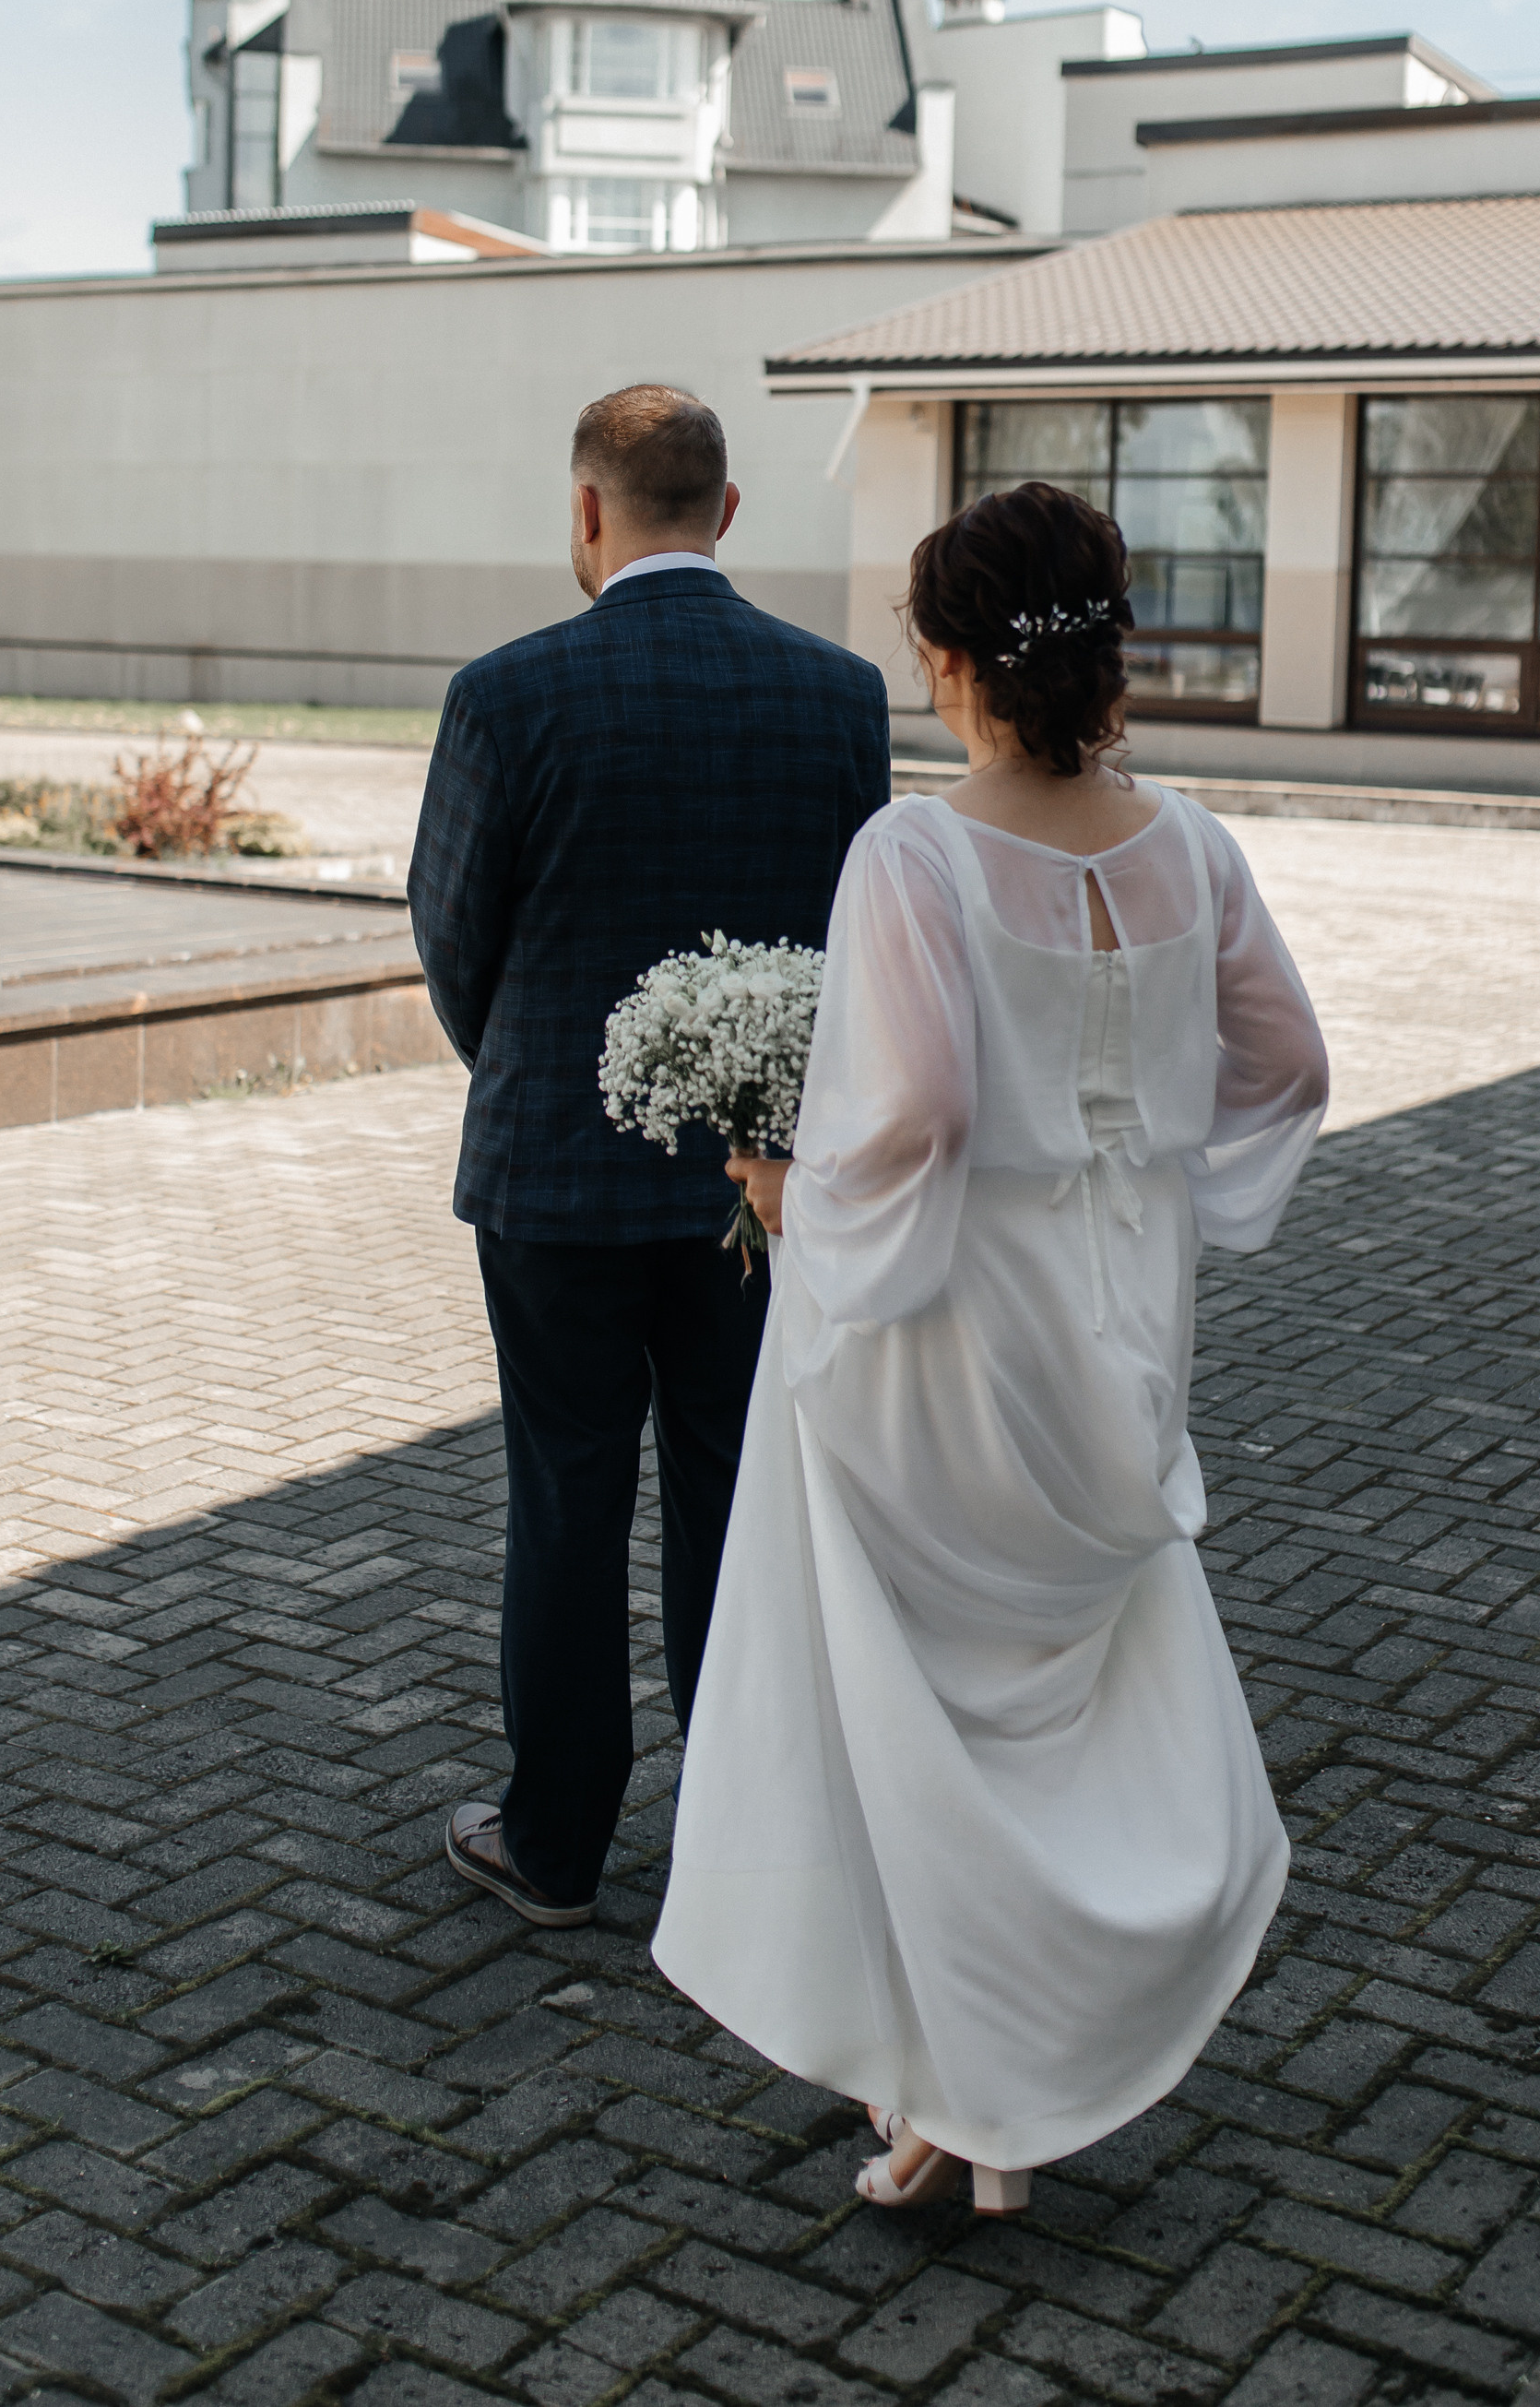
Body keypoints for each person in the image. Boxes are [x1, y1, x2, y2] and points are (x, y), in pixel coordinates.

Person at [652, 479, 1328, 2210]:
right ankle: (981, 2098)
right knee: (1049, 1699)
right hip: (1116, 1323)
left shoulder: (917, 851)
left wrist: (801, 1197)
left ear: (951, 661)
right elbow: (1287, 1071)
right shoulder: (1192, 847)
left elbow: (925, 1107)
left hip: (942, 1324)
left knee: (913, 1713)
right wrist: (1169, 1175)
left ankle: (964, 2087)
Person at [408, 383, 892, 1928]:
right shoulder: (837, 695)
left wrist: (542, 1070)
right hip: (758, 1180)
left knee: (561, 1496)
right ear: (729, 513)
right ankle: (739, 1850)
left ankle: (553, 1843)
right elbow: (851, 947)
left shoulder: (506, 693)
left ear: (586, 513)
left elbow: (451, 935)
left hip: (553, 1175)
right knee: (732, 1502)